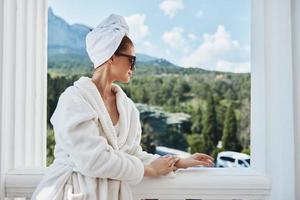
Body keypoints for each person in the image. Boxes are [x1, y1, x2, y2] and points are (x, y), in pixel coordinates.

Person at [31, 14, 214, 200]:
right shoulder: (74, 99)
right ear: (111, 57)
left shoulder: (127, 107)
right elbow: (92, 160)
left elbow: (132, 154)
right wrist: (148, 169)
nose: (134, 68)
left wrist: (178, 162)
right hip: (71, 191)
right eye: (132, 60)